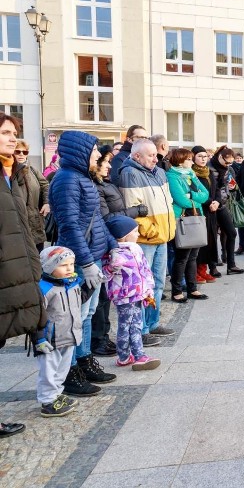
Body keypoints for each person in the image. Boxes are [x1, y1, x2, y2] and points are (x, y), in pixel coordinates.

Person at [49, 130, 118, 396]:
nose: (98, 155)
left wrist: (112, 247)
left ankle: (84, 359)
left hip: (93, 256)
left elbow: (96, 220)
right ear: (79, 152)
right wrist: (87, 263)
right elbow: (70, 226)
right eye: (93, 151)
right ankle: (71, 372)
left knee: (87, 315)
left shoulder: (82, 178)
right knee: (74, 318)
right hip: (78, 260)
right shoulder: (66, 180)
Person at [0, 114, 43, 437]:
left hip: (15, 266)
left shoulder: (11, 174)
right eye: (5, 133)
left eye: (14, 133)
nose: (12, 139)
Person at [118, 138, 179, 347]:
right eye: (151, 155)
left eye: (156, 154)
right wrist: (152, 231)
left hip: (162, 237)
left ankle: (153, 323)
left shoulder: (159, 172)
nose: (156, 158)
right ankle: (142, 329)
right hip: (146, 239)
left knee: (159, 284)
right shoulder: (130, 173)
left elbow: (168, 202)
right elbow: (133, 208)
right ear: (137, 156)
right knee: (144, 285)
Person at [90, 148, 147, 358]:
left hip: (109, 239)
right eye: (105, 162)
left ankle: (103, 338)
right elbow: (108, 218)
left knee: (102, 302)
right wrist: (136, 211)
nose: (109, 166)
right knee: (99, 301)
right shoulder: (95, 187)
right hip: (105, 242)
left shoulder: (105, 184)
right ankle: (98, 340)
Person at [102, 216, 161, 370]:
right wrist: (110, 268)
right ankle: (136, 355)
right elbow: (104, 276)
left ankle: (126, 356)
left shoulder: (136, 248)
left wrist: (149, 290)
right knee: (126, 325)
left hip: (139, 293)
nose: (138, 234)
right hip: (124, 296)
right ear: (123, 235)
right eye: (134, 231)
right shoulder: (113, 253)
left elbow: (145, 270)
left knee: (136, 324)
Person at [34, 246, 86, 417]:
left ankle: (56, 395)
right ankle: (47, 401)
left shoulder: (72, 283)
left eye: (71, 264)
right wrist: (39, 338)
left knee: (62, 369)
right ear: (49, 267)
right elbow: (36, 316)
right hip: (50, 339)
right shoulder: (44, 288)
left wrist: (92, 285)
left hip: (69, 335)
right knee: (48, 371)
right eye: (64, 265)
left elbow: (79, 302)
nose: (70, 268)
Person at [166, 148, 209, 302]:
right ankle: (177, 291)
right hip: (183, 218)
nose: (192, 162)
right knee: (182, 257)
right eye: (189, 159)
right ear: (180, 160)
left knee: (193, 256)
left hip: (196, 215)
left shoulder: (191, 174)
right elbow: (180, 200)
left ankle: (193, 288)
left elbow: (205, 195)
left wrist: (191, 195)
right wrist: (194, 199)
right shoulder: (172, 176)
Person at [208, 146, 244, 275]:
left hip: (222, 204)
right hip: (210, 206)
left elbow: (228, 186)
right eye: (227, 161)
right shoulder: (209, 168)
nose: (229, 164)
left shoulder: (228, 169)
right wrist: (213, 201)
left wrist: (229, 191)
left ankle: (231, 265)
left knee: (231, 232)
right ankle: (212, 267)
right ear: (220, 157)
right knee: (212, 237)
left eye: (231, 162)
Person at [13, 140, 50, 250]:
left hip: (36, 226)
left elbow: (45, 185)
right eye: (17, 151)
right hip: (18, 227)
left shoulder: (33, 170)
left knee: (37, 262)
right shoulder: (7, 172)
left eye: (25, 152)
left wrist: (47, 202)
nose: (21, 154)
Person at [190, 147, 220, 282]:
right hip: (200, 210)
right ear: (193, 157)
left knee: (209, 241)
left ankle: (203, 269)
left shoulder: (209, 172)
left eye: (205, 156)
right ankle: (195, 271)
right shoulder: (191, 173)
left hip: (212, 210)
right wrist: (209, 202)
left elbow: (217, 188)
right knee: (199, 241)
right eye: (200, 156)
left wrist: (217, 202)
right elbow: (194, 192)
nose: (203, 159)